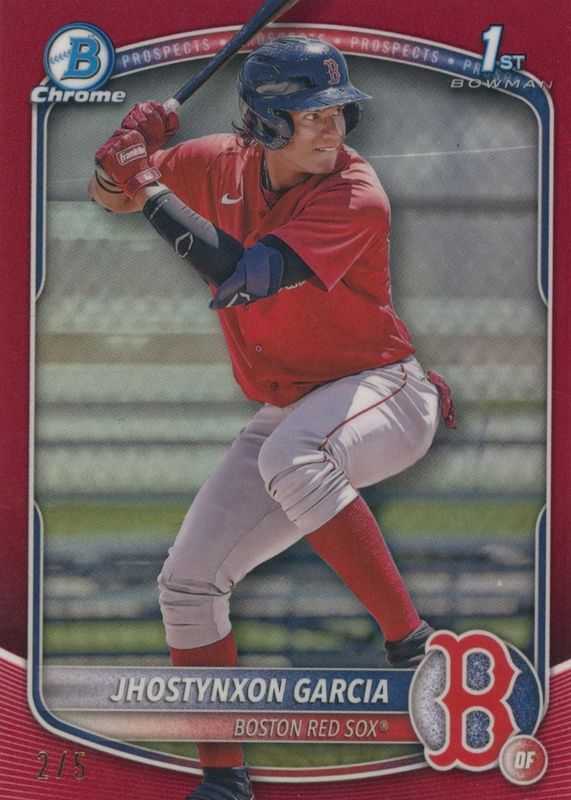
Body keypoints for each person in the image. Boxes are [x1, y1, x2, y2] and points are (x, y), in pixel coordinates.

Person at [90, 35, 455, 800]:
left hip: (384, 392)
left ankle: (413, 645)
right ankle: (223, 782)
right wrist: (122, 155)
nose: (332, 128)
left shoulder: (355, 192)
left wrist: (147, 182)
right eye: (311, 115)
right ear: (263, 122)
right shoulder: (216, 162)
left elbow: (243, 275)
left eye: (338, 111)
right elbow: (113, 197)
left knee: (292, 455)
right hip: (293, 408)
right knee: (187, 584)